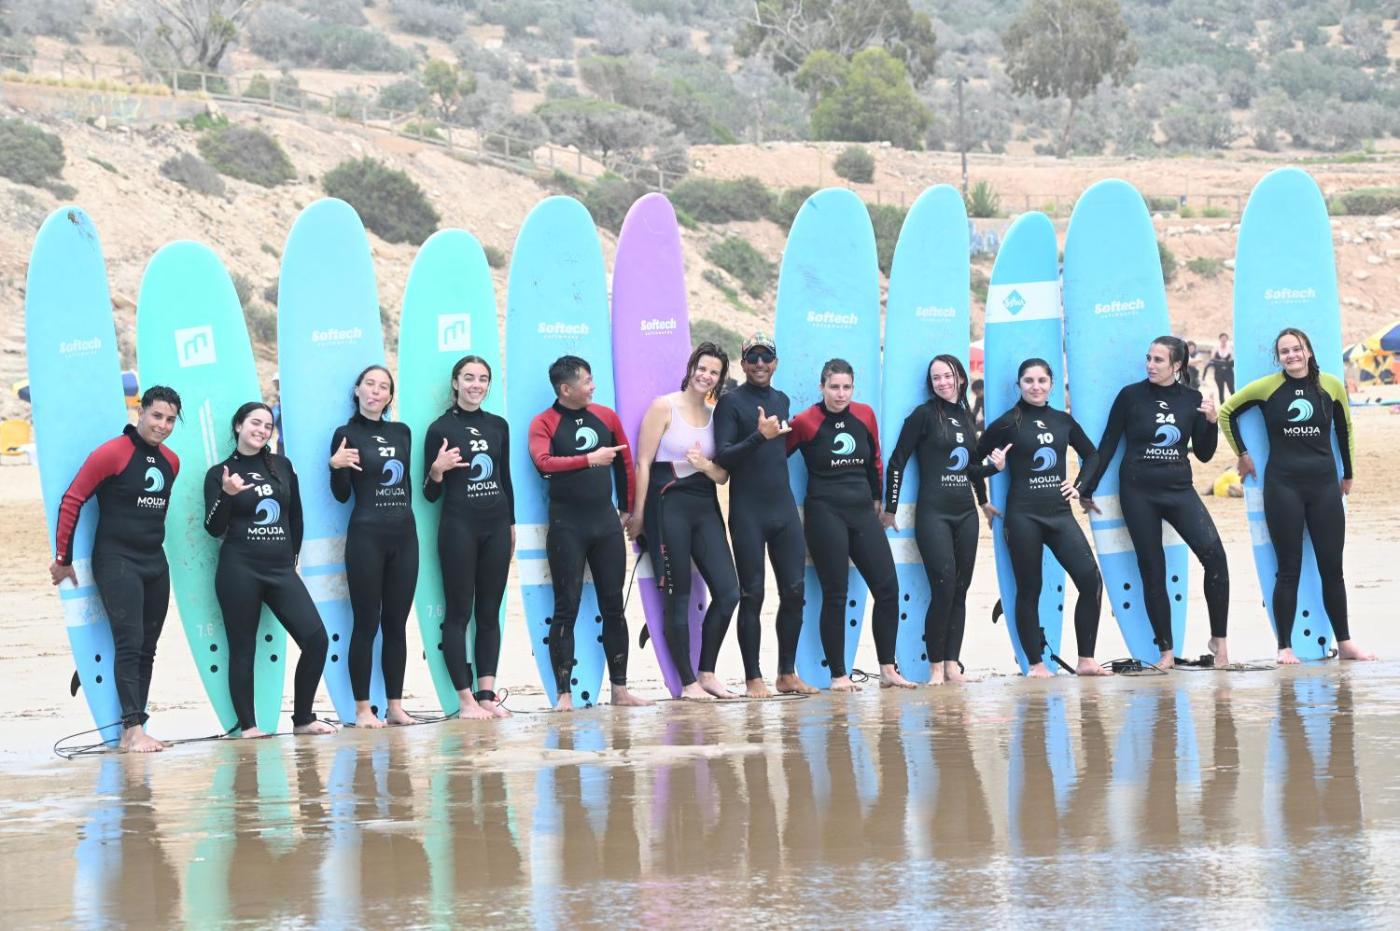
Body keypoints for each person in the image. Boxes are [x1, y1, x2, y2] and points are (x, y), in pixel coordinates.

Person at [1218, 327, 1376, 664]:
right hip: (1283, 488)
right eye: (1285, 351)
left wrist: (1348, 473)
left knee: (1332, 569)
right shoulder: (1268, 387)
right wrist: (1242, 454)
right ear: (1279, 358)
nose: (1291, 355)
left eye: (1296, 349)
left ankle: (1346, 643)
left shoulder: (1330, 385)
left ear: (1308, 351)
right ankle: (1284, 647)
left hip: (1324, 487)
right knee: (1288, 569)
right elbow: (1226, 412)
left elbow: (1345, 428)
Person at [1079, 337, 1231, 668]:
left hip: (1179, 490)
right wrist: (1086, 486)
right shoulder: (1130, 396)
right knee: (1152, 569)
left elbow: (1204, 454)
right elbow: (1108, 444)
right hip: (1138, 493)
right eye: (1148, 358)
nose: (1150, 365)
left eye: (1158, 360)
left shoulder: (1192, 400)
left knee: (1216, 558)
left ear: (1177, 365)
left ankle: (1219, 641)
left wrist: (1211, 422)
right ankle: (1166, 652)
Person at [49, 386, 183, 752]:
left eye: (171, 420)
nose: (163, 425)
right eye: (157, 416)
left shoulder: (171, 461)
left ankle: (137, 725)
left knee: (148, 648)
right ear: (141, 412)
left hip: (155, 562)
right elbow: (72, 499)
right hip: (116, 560)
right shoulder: (113, 453)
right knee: (130, 643)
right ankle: (132, 732)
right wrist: (63, 559)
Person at [204, 402, 335, 737]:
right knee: (243, 649)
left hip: (280, 570)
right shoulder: (220, 473)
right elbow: (213, 528)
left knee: (317, 640)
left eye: (267, 426)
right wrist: (227, 495)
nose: (261, 430)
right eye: (255, 423)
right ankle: (249, 726)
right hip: (239, 570)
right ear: (238, 426)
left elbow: (296, 516)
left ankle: (303, 719)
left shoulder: (281, 465)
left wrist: (291, 558)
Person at [528, 355, 651, 711]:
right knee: (566, 607)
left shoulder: (605, 416)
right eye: (586, 381)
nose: (593, 386)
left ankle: (620, 690)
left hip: (605, 524)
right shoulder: (544, 422)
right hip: (567, 526)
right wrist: (589, 459)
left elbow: (625, 462)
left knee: (613, 606)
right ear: (566, 389)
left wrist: (627, 507)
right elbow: (543, 464)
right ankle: (564, 695)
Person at [977, 358, 1110, 678]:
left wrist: (1079, 486)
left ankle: (1086, 660)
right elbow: (970, 463)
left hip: (1060, 515)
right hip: (1023, 517)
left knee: (1091, 580)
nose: (1035, 387)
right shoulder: (1007, 423)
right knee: (1029, 589)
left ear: (1052, 384)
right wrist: (988, 485)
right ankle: (1036, 664)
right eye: (1029, 381)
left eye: (1042, 381)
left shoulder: (1062, 420)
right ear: (1019, 385)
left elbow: (1092, 455)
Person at [626, 342, 742, 701]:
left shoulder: (716, 414)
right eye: (702, 368)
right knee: (678, 596)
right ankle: (688, 683)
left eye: (714, 372)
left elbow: (722, 476)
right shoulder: (664, 406)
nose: (706, 376)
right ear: (691, 367)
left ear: (720, 379)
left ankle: (706, 673)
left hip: (705, 505)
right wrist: (639, 514)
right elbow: (643, 462)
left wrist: (705, 465)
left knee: (729, 592)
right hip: (667, 505)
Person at [787, 358, 912, 691]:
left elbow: (875, 460)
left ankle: (887, 669)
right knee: (835, 594)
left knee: (888, 589)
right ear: (822, 387)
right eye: (834, 387)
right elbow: (775, 456)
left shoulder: (864, 414)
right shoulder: (805, 422)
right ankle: (839, 675)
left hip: (862, 512)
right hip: (824, 513)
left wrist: (878, 499)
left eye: (846, 387)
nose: (840, 394)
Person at [711, 332, 816, 698]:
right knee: (752, 593)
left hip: (783, 509)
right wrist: (759, 436)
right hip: (748, 512)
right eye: (752, 358)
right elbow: (723, 457)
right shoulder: (730, 403)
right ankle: (753, 678)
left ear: (775, 363)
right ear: (742, 363)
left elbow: (778, 451)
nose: (759, 364)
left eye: (766, 357)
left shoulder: (781, 400)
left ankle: (786, 674)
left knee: (795, 591)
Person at [884, 355, 997, 685]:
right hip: (933, 513)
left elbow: (971, 467)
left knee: (961, 590)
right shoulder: (923, 415)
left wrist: (984, 501)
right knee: (944, 588)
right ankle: (935, 668)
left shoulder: (966, 416)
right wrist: (890, 507)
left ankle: (951, 665)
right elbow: (897, 461)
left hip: (966, 514)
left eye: (948, 376)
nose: (943, 382)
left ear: (960, 378)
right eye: (936, 378)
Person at [423, 355, 514, 719]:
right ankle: (465, 701)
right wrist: (437, 470)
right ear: (456, 382)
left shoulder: (498, 426)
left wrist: (511, 525)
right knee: (459, 613)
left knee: (489, 613)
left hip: (497, 527)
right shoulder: (440, 429)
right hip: (458, 528)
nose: (476, 385)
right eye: (469, 378)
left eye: (483, 378)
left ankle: (487, 695)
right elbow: (429, 493)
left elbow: (505, 480)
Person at [329, 365, 418, 727]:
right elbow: (341, 495)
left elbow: (407, 487)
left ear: (389, 396)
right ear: (357, 390)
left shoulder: (402, 432)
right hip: (366, 537)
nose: (375, 391)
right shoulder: (346, 434)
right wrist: (336, 466)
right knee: (366, 623)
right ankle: (363, 709)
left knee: (397, 625)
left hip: (405, 537)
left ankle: (395, 707)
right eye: (369, 384)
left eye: (383, 387)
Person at [1209, 333, 1235, 402]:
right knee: (1221, 390)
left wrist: (1226, 362)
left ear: (1227, 339)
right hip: (1218, 372)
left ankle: (1235, 404)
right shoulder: (1216, 348)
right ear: (1220, 339)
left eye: (1225, 338)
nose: (1223, 339)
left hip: (1228, 372)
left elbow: (1232, 360)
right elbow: (1212, 359)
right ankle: (1222, 405)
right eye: (1222, 338)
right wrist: (1221, 362)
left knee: (1231, 389)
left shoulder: (1230, 348)